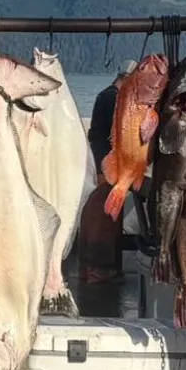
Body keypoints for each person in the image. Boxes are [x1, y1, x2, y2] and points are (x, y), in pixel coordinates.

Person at [77, 60, 137, 283]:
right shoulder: (113, 98)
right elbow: (107, 134)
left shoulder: (106, 95)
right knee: (105, 216)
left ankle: (95, 267)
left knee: (102, 213)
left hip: (103, 160)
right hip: (106, 162)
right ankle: (98, 269)